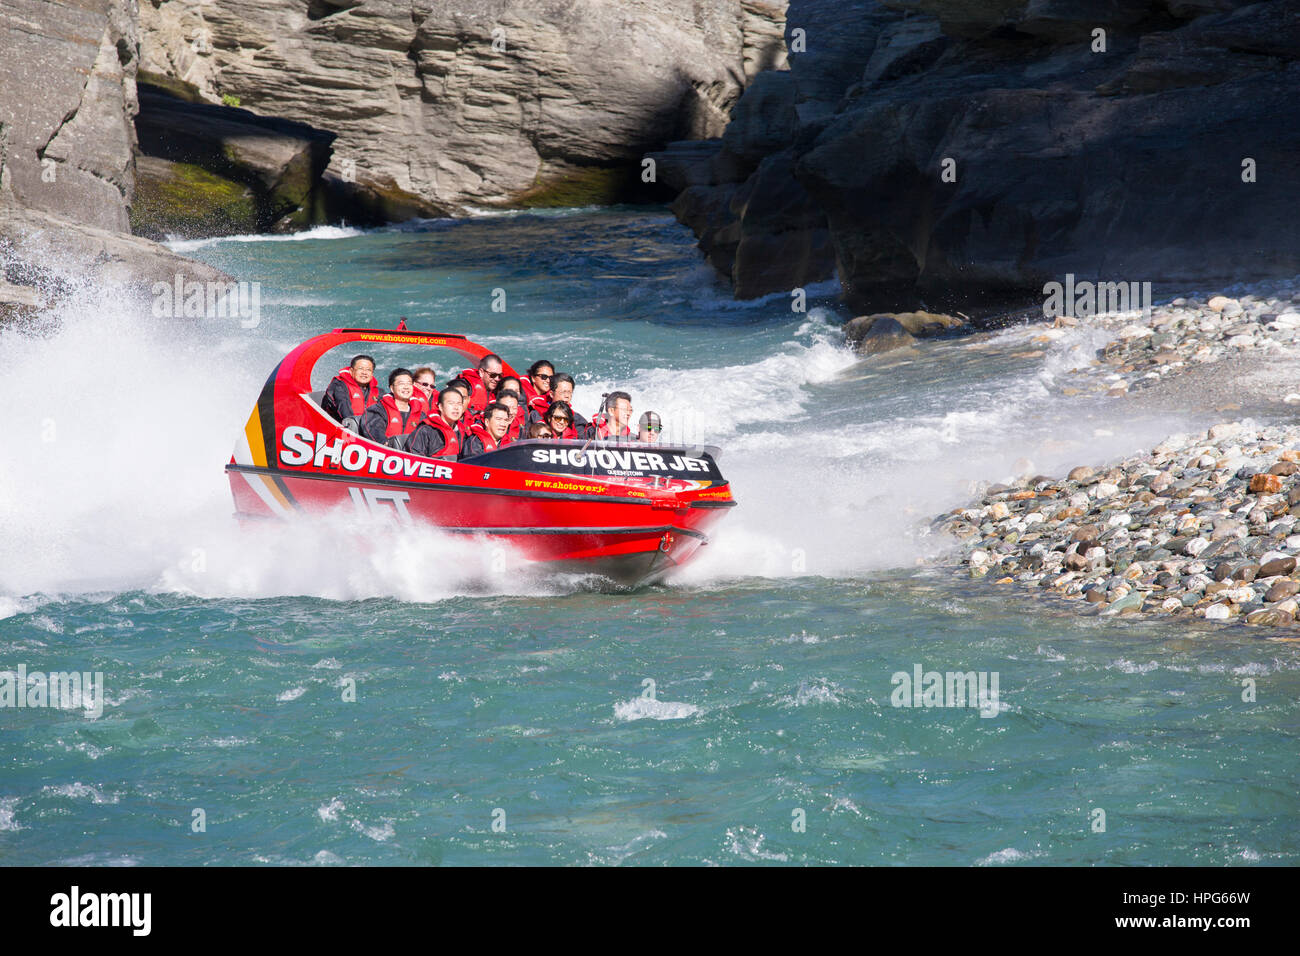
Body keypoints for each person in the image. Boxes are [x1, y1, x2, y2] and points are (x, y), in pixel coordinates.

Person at [359, 368, 421, 447]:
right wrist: (385, 444)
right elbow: (374, 430)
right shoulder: (378, 410)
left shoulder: (421, 415)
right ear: (392, 388)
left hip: (412, 455)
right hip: (385, 452)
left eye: (409, 383)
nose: (406, 387)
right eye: (401, 383)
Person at [407, 387, 465, 459]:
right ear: (440, 407)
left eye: (459, 404)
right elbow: (414, 457)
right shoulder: (425, 430)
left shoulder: (463, 431)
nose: (456, 407)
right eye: (451, 403)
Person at [321, 354, 379, 423]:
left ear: (372, 373)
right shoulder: (339, 386)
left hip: (368, 429)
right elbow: (343, 407)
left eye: (368, 370)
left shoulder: (378, 391)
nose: (364, 373)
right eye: (360, 369)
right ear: (351, 371)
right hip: (339, 426)